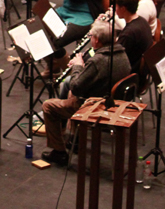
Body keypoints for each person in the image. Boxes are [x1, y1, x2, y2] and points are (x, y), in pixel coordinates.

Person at [40, 19, 131, 166]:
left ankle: (59, 152)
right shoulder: (122, 54)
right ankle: (76, 141)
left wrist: (78, 66)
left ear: (97, 40)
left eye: (92, 37)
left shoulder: (99, 61)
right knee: (70, 94)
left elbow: (76, 86)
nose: (91, 40)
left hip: (95, 107)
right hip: (115, 103)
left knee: (49, 105)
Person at [113, 0, 153, 73]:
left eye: (116, 6)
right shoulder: (142, 21)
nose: (114, 9)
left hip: (130, 75)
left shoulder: (129, 33)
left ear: (123, 8)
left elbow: (114, 60)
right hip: (138, 69)